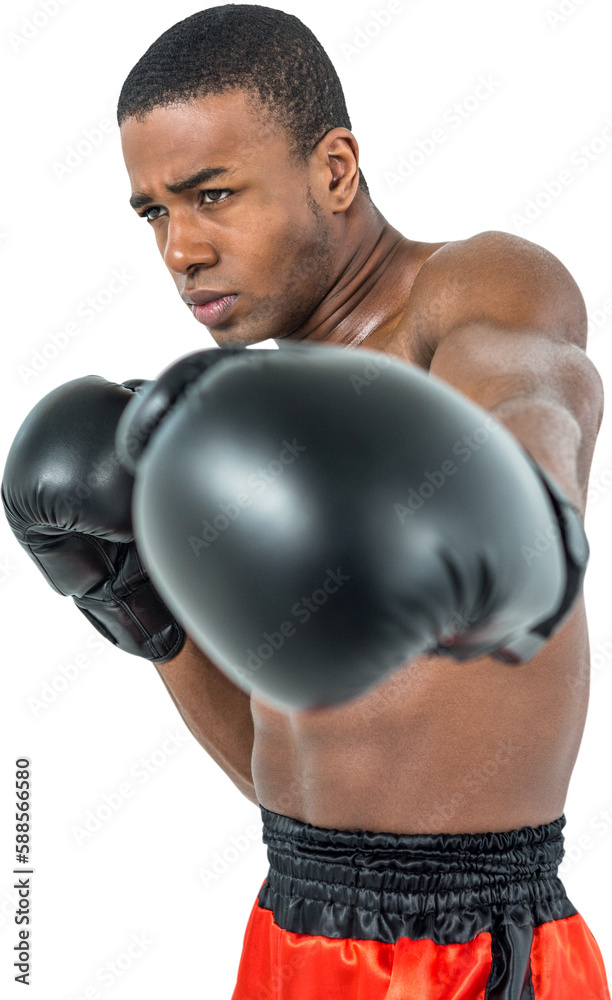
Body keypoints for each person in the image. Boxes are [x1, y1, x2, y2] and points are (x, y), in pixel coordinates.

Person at [2, 5, 609, 997]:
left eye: (212, 194)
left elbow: (537, 383)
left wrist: (525, 510)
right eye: (156, 211)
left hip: (466, 955)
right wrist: (138, 601)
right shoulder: (260, 441)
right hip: (294, 921)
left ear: (333, 170)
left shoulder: (469, 289)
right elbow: (286, 771)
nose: (180, 249)